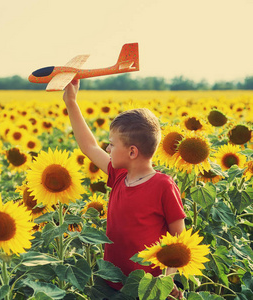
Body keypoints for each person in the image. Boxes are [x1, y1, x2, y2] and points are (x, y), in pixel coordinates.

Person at [62, 79, 186, 300]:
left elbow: (179, 237)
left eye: (111, 143)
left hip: (146, 288)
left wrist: (168, 278)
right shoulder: (119, 176)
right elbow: (88, 146)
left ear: (132, 152)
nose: (107, 148)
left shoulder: (163, 186)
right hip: (110, 282)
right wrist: (71, 102)